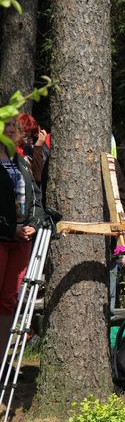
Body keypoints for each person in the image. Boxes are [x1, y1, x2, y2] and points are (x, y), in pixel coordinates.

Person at [0, 117, 43, 357]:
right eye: (4, 128)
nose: (9, 132)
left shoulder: (23, 163)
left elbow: (36, 199)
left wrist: (33, 223)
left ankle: (3, 358)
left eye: (13, 129)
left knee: (9, 300)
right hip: (3, 238)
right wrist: (8, 229)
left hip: (20, 241)